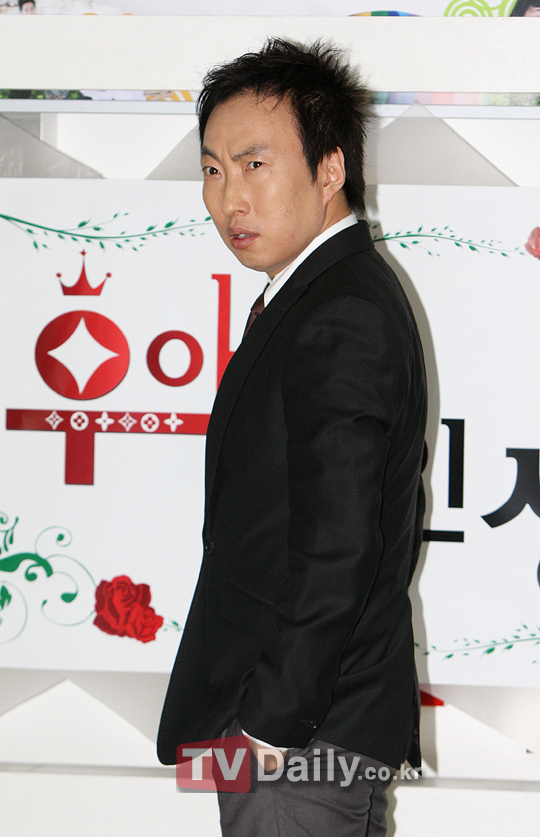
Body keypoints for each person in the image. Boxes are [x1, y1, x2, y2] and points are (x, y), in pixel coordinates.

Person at [158, 38, 427, 837]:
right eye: (212, 170)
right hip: (304, 732)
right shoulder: (318, 295)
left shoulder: (340, 312)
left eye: (254, 165)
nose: (228, 198)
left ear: (330, 168)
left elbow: (340, 544)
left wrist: (267, 729)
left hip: (300, 742)